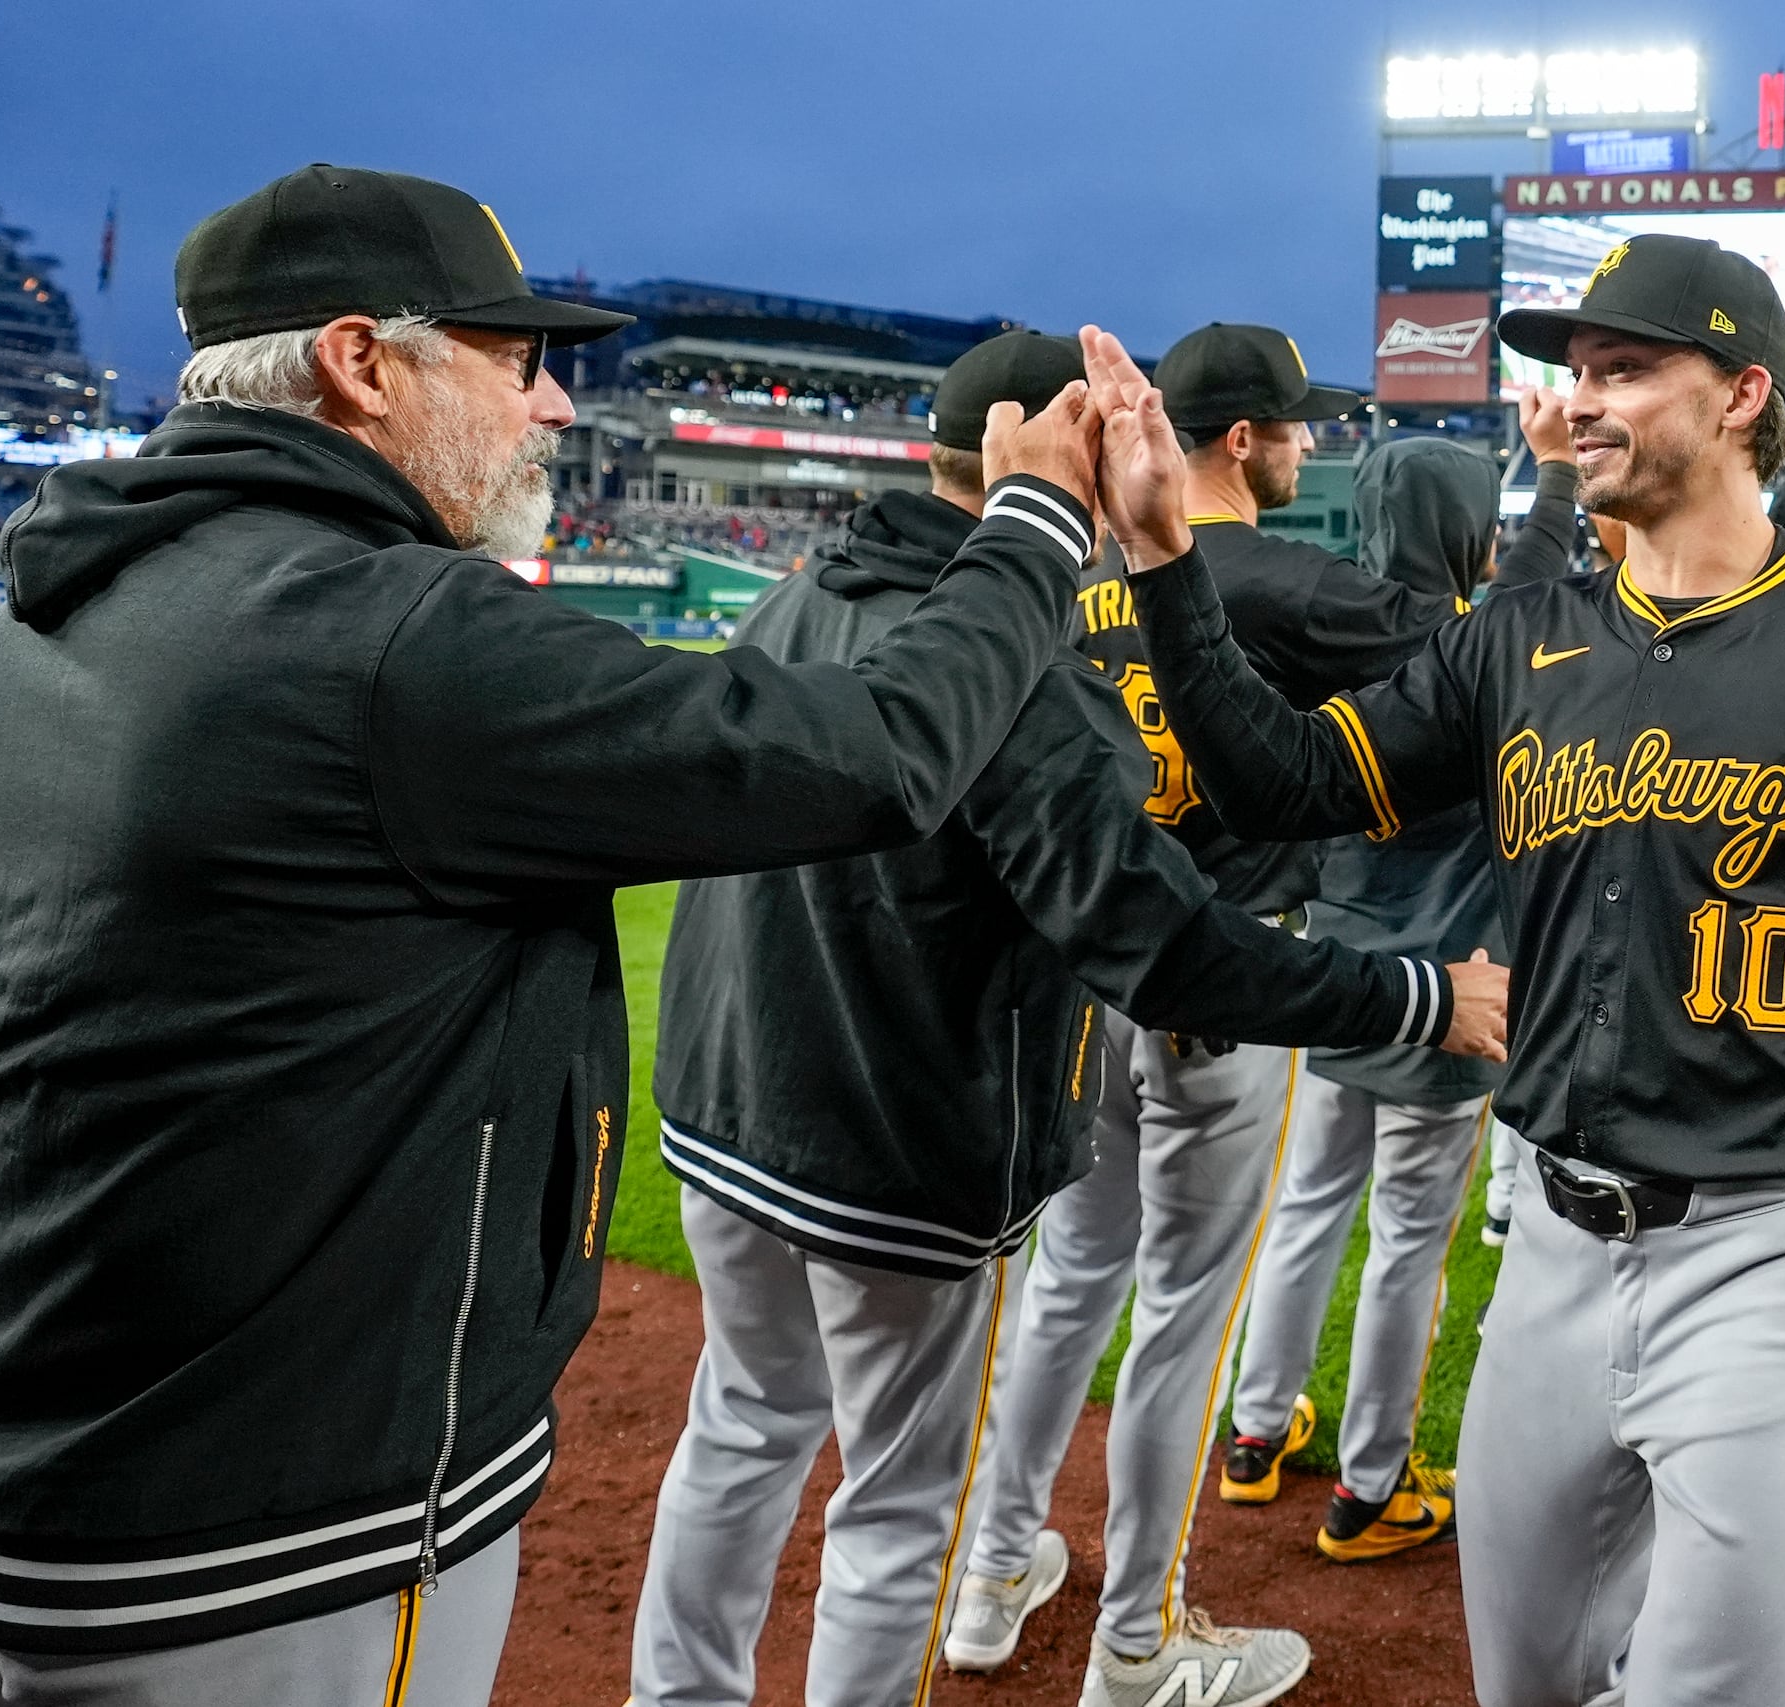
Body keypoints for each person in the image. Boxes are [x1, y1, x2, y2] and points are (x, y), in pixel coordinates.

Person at [0, 165, 1101, 1707]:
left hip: (23, 1476)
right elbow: (870, 751)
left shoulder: (37, 625)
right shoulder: (397, 630)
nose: (554, 407)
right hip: (280, 1529)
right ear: (361, 362)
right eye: (512, 359)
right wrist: (1034, 522)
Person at [1078, 232, 1785, 1707]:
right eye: (1575, 370)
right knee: (1523, 1677)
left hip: (1776, 1245)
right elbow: (1279, 782)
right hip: (1552, 1245)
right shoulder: (1520, 637)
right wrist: (1162, 561)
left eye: (1625, 368)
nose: (1579, 399)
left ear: (1742, 395)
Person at [626, 331, 1508, 1707]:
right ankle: (1133, 1639)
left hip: (736, 1114)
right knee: (930, 1477)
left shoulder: (796, 597)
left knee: (748, 1427)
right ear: (1059, 455)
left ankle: (814, 1643)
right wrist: (1412, 992)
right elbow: (1159, 939)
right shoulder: (1029, 666)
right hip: (942, 1115)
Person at [953, 325, 1563, 1706]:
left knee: (1068, 1287)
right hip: (1225, 978)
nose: (1310, 446)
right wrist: (1553, 494)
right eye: (1296, 427)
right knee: (1182, 1318)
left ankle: (990, 1570)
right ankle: (1138, 1637)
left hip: (1084, 973)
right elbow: (1496, 657)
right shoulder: (1283, 576)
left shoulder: (1083, 576)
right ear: (1242, 440)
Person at [1218, 429, 1582, 1562]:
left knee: (1306, 1214)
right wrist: (1558, 481)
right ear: (1466, 526)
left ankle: (1255, 1431)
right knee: (1407, 1246)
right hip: (1447, 988)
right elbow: (1522, 599)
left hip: (1335, 971)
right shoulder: (1478, 643)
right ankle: (1371, 1484)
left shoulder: (1322, 617)